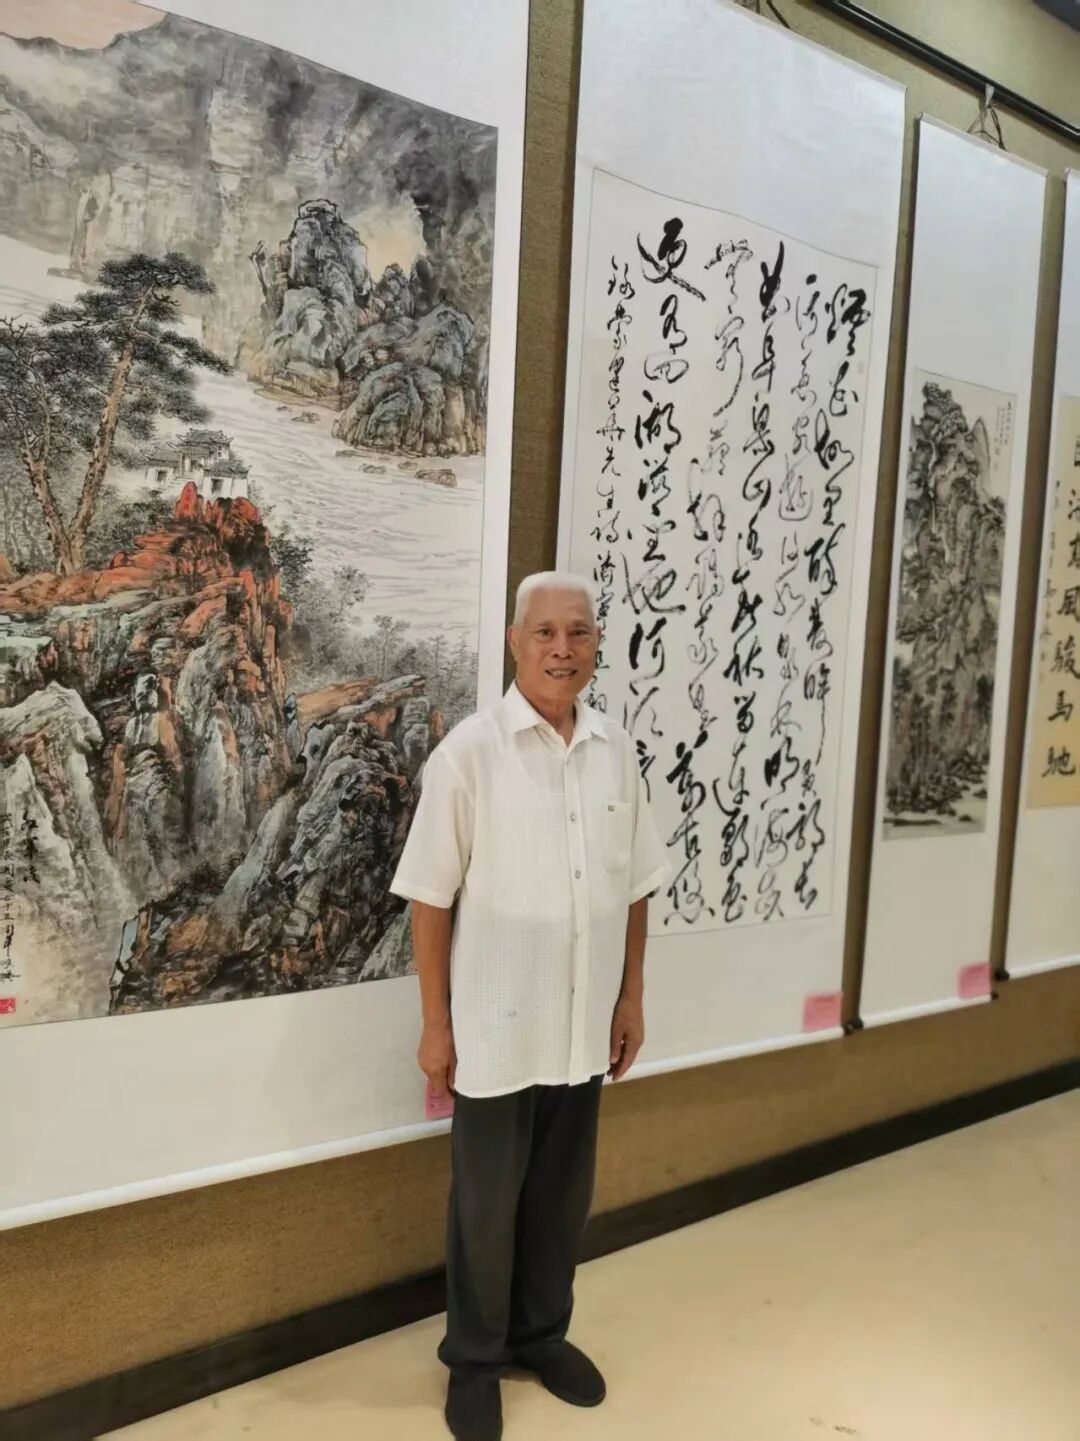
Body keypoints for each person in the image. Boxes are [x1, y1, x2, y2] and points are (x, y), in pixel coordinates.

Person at [390, 571, 668, 1441]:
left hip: (583, 1024)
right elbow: (428, 899)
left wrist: (631, 996)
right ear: (515, 642)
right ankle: (475, 1360)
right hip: (495, 1026)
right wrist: (436, 1024)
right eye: (544, 632)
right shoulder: (469, 754)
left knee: (559, 1197)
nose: (561, 648)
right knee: (484, 1205)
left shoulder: (616, 751)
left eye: (578, 632)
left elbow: (635, 886)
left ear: (595, 644)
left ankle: (541, 1334)